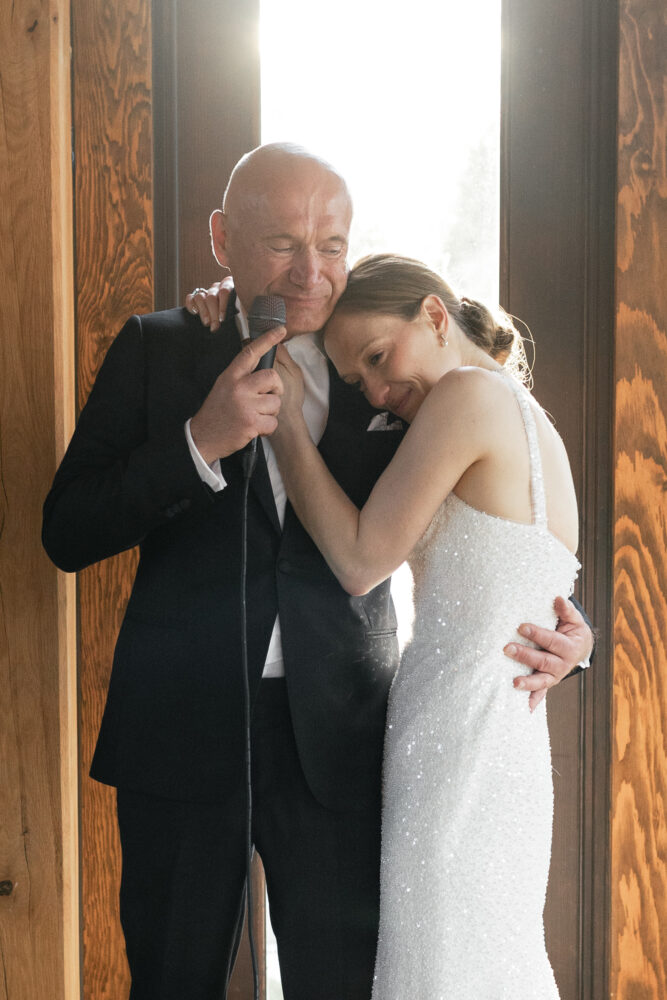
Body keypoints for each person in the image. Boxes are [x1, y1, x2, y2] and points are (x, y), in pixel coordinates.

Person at [42, 144, 592, 1000]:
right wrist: (199, 443)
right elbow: (67, 531)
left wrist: (569, 631)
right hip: (181, 735)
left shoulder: (393, 375)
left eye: (330, 245)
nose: (310, 271)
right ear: (223, 239)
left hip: (346, 740)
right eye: (281, 245)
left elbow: (497, 511)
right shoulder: (159, 348)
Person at [266, 252, 580, 998]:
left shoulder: (466, 395)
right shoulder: (530, 418)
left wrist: (283, 429)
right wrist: (580, 639)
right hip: (503, 741)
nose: (376, 391)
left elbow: (358, 560)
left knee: (440, 960)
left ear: (435, 315)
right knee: (478, 954)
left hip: (454, 739)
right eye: (356, 382)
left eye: (378, 357)